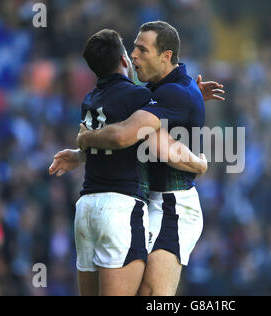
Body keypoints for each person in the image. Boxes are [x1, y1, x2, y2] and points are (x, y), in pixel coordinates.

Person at [49, 28, 211, 296]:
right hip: (144, 203)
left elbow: (133, 137)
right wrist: (81, 153)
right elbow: (124, 134)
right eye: (133, 48)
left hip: (173, 203)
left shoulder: (166, 93)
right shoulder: (149, 93)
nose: (134, 55)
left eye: (142, 50)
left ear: (165, 56)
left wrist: (199, 164)